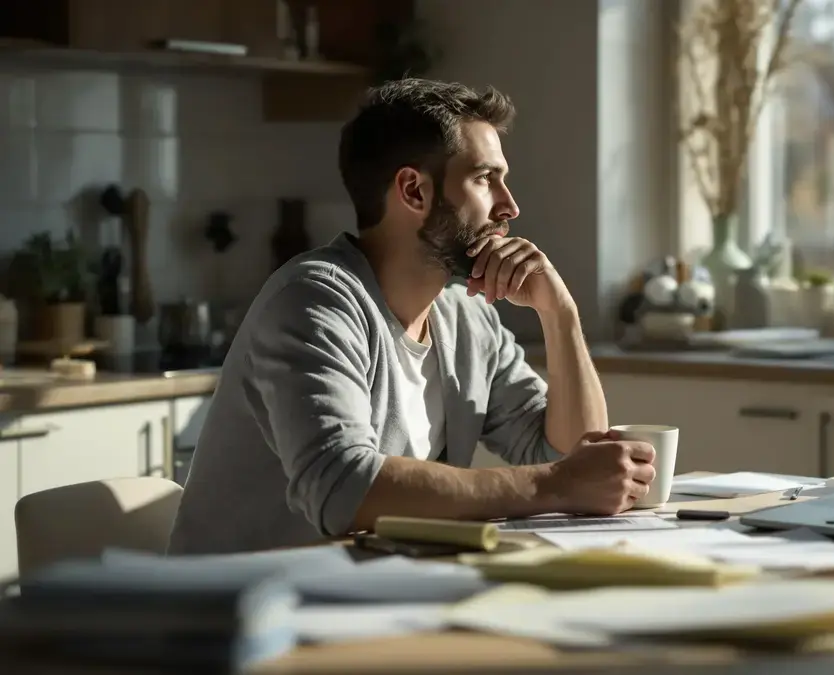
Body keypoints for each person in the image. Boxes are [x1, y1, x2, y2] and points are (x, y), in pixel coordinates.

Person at [168, 78, 656, 554]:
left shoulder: (466, 314)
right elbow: (343, 488)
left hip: (362, 602)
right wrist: (553, 485)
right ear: (414, 191)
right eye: (485, 178)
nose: (510, 205)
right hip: (239, 613)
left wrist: (561, 316)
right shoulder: (315, 302)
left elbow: (570, 455)